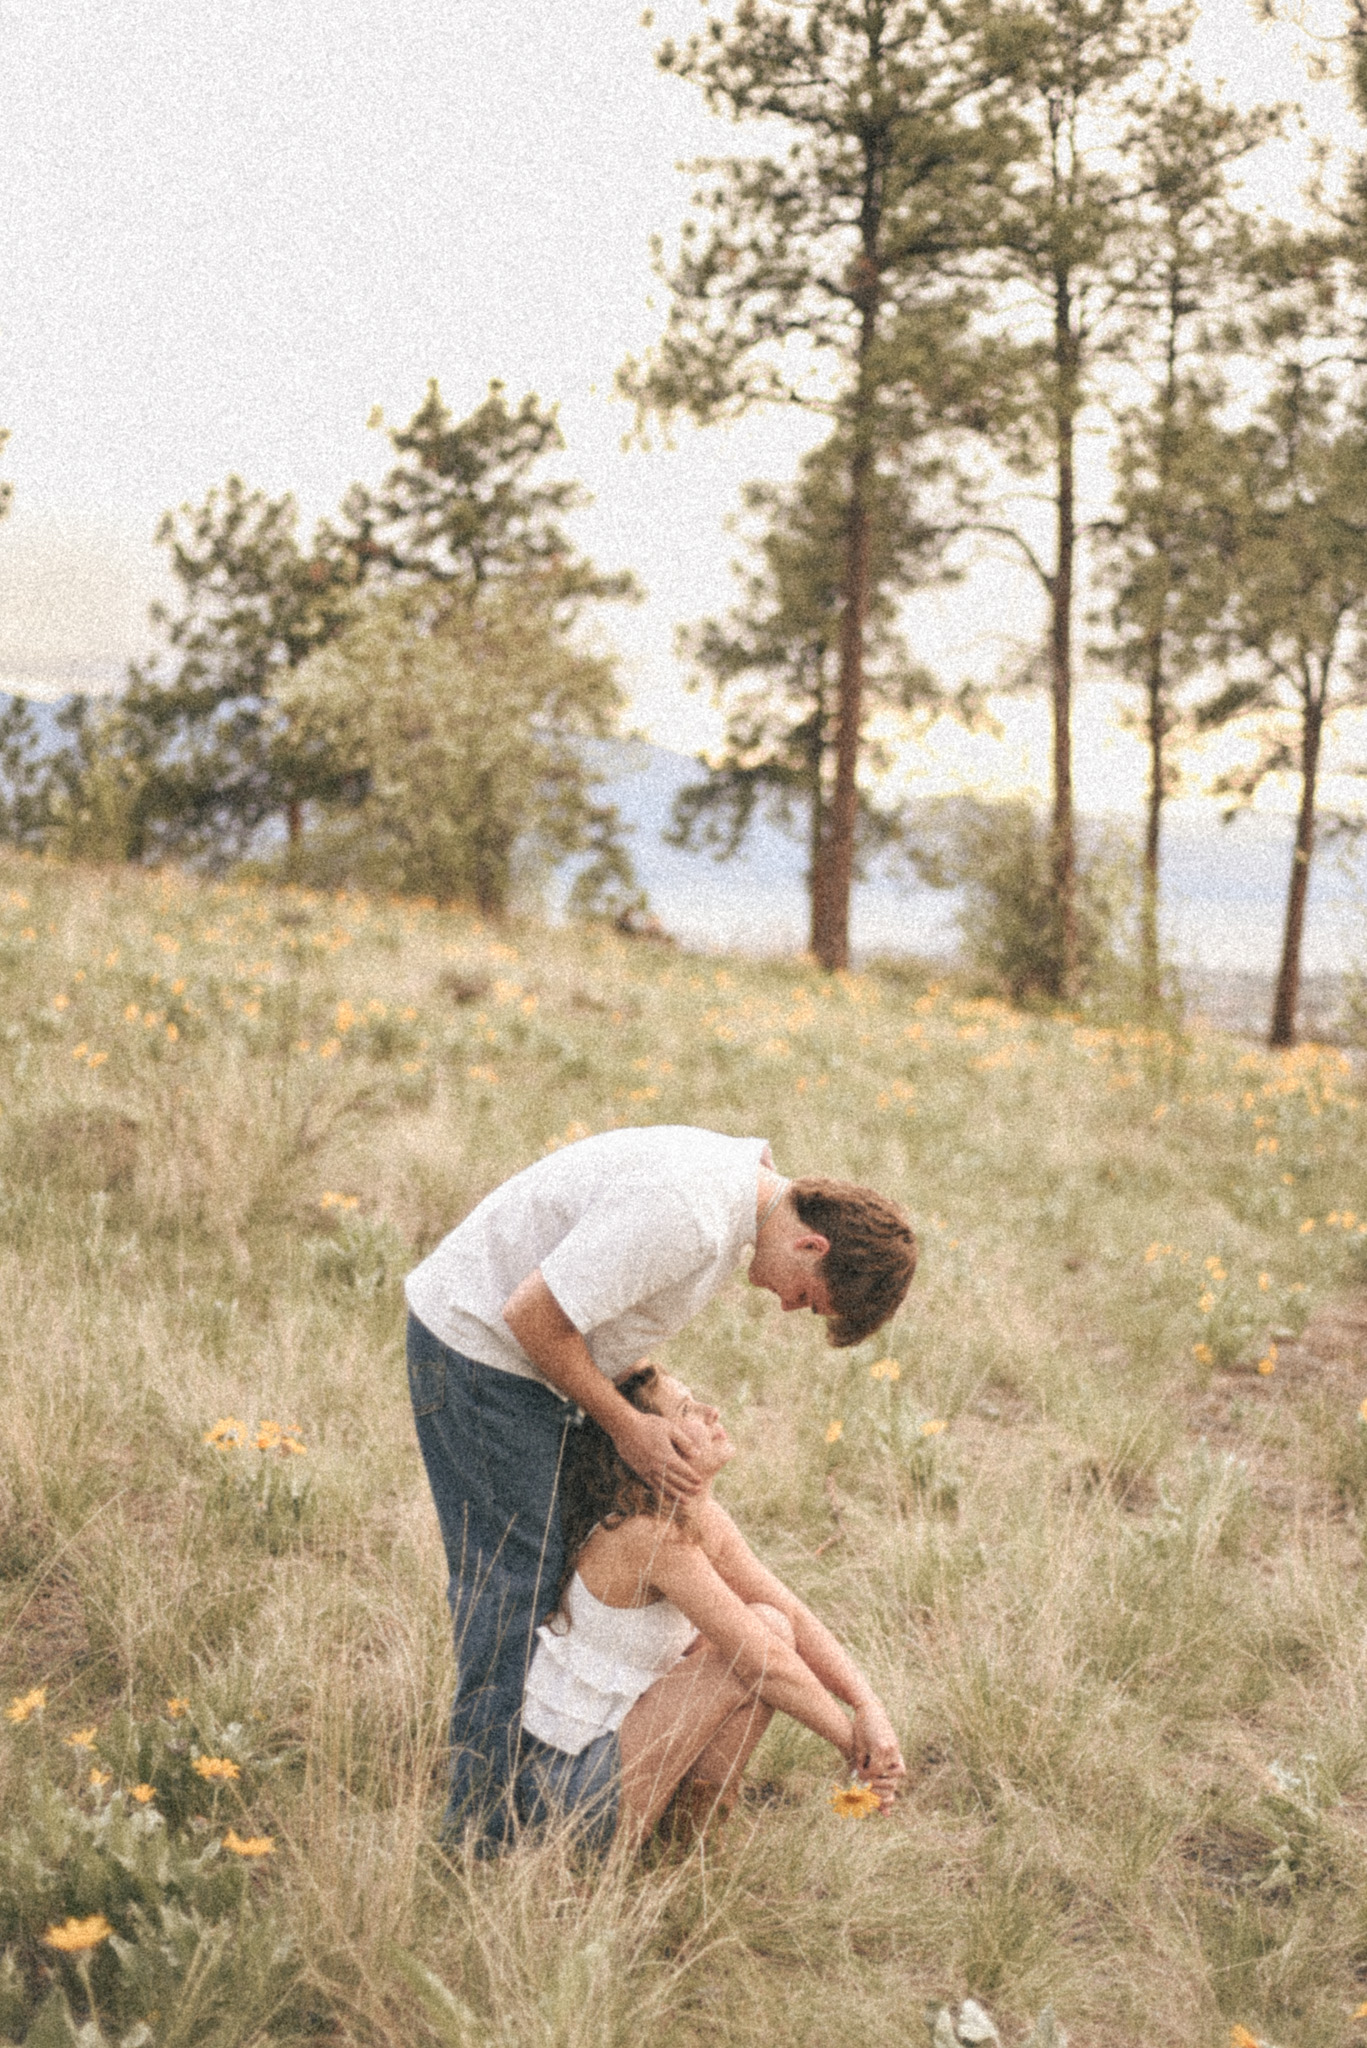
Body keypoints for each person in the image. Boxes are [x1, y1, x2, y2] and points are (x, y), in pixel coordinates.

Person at [403, 1124, 916, 1847]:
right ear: (811, 1244)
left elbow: (779, 1611)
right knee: (511, 1583)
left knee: (547, 1574)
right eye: (807, 1297)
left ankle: (646, 1832)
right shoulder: (692, 1213)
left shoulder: (732, 1204)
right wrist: (626, 1425)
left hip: (528, 1366)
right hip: (479, 1355)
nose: (787, 1307)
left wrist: (867, 1704)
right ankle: (485, 1833)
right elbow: (529, 1314)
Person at [516, 1362, 906, 1853]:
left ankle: (689, 1844)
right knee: (755, 1647)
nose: (711, 1411)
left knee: (772, 1623)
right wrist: (859, 1750)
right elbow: (765, 1663)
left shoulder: (698, 1517)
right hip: (566, 1795)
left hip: (619, 1758)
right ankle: (643, 1853)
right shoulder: (646, 1535)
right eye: (686, 1410)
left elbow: (790, 1613)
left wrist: (868, 1706)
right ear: (647, 1445)